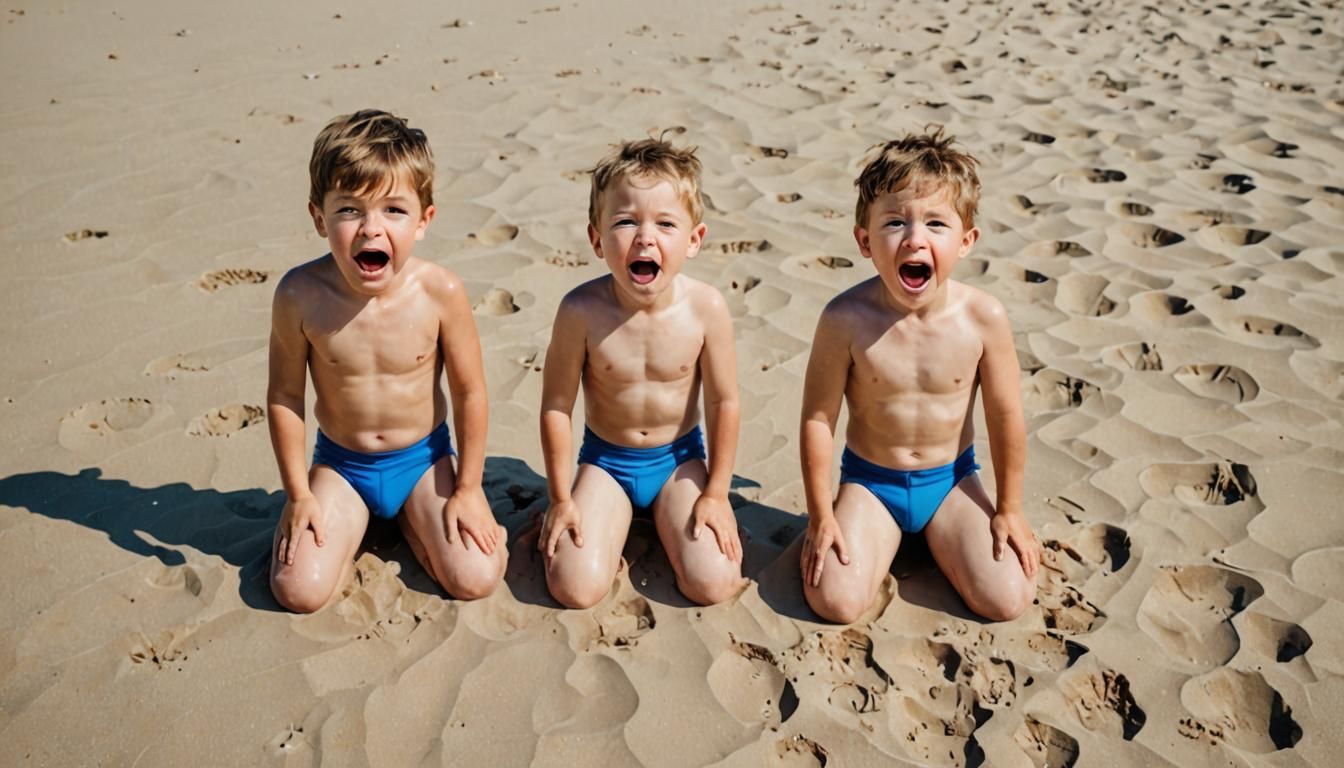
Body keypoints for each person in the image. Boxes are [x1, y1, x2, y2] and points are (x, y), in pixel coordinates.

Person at [268, 109, 506, 612]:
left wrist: (468, 489)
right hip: (341, 465)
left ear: (424, 220)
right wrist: (298, 496)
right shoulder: (299, 295)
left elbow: (469, 392)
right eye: (350, 210)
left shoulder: (441, 291)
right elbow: (285, 396)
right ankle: (367, 523)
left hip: (423, 460)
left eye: (394, 210)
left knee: (477, 576)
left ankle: (417, 522)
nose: (370, 230)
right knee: (298, 591)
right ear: (319, 218)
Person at [799, 128, 1039, 623]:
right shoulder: (844, 319)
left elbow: (1005, 414)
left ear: (966, 240)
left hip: (951, 482)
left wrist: (1009, 507)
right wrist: (821, 516)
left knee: (1007, 599)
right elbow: (818, 419)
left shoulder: (983, 319)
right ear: (865, 241)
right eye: (894, 223)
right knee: (836, 602)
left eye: (935, 223)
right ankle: (888, 539)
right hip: (870, 483)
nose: (914, 238)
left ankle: (945, 538)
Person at [538, 137, 744, 608]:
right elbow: (555, 406)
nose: (645, 238)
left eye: (665, 224)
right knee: (574, 588)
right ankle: (608, 526)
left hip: (679, 461)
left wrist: (716, 492)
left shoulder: (706, 308)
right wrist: (559, 497)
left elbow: (724, 402)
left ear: (694, 240)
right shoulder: (580, 311)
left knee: (713, 583)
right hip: (606, 462)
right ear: (596, 239)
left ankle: (658, 523)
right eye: (625, 221)